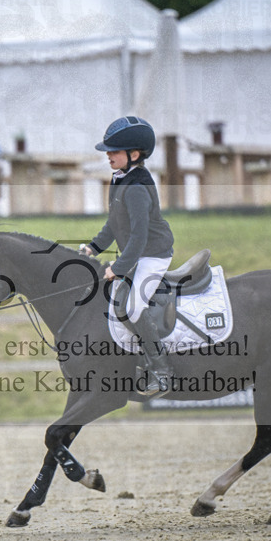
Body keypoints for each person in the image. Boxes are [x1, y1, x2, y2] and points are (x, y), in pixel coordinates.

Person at [81, 116, 175, 397]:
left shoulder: (136, 188)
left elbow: (139, 237)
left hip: (153, 255)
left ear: (134, 154)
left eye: (114, 151)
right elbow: (114, 222)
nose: (108, 156)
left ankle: (161, 370)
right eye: (108, 151)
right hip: (138, 252)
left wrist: (119, 268)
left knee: (133, 308)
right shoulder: (121, 178)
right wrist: (94, 247)